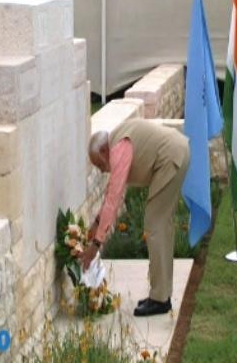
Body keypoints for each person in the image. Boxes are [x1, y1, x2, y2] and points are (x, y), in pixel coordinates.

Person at [81, 119, 190, 317]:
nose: (100, 169)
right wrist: (96, 224)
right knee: (161, 226)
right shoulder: (117, 141)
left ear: (105, 151)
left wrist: (94, 246)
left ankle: (160, 299)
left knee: (155, 225)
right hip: (177, 153)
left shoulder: (119, 148)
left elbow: (113, 200)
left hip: (171, 158)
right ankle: (161, 295)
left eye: (98, 163)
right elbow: (110, 193)